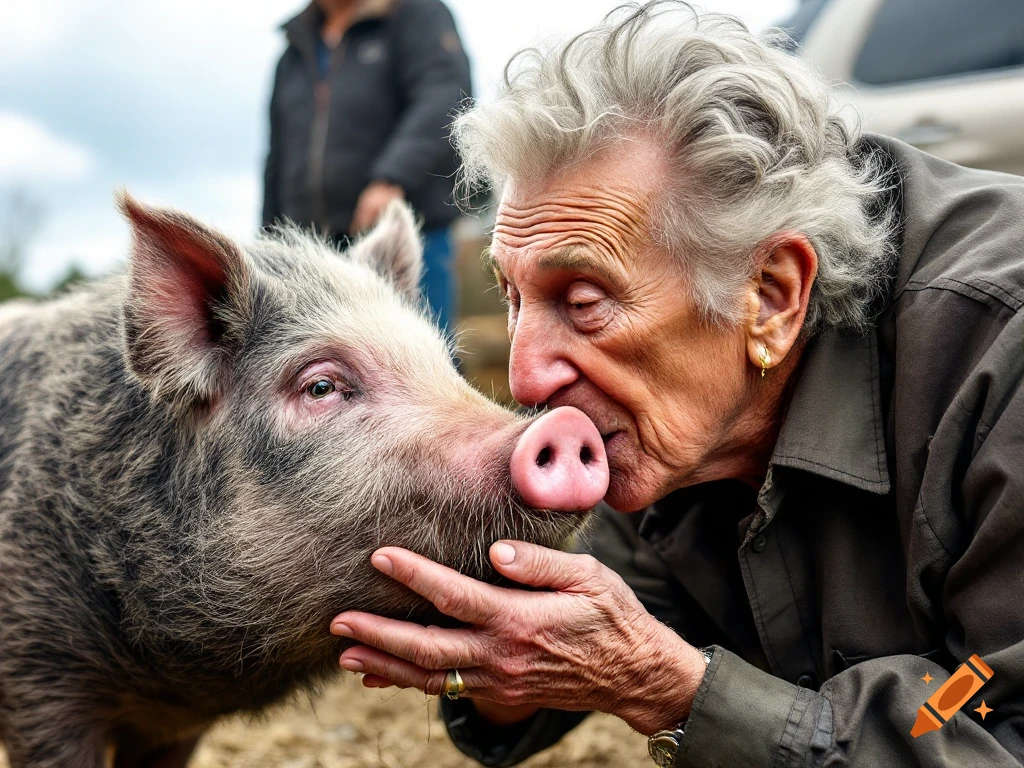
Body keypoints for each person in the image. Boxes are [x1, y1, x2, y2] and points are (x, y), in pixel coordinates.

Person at [326, 2, 1024, 765]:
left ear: (771, 296)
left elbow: (991, 721)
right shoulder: (665, 420)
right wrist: (501, 655)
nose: (526, 378)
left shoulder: (1000, 354)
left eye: (584, 303)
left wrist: (670, 689)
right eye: (512, 297)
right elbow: (595, 632)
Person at [262, 0, 470, 335]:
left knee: (425, 358)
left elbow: (444, 97)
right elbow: (277, 156)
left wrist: (391, 178)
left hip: (406, 236)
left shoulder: (416, 14)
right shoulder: (294, 50)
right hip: (312, 251)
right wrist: (270, 242)